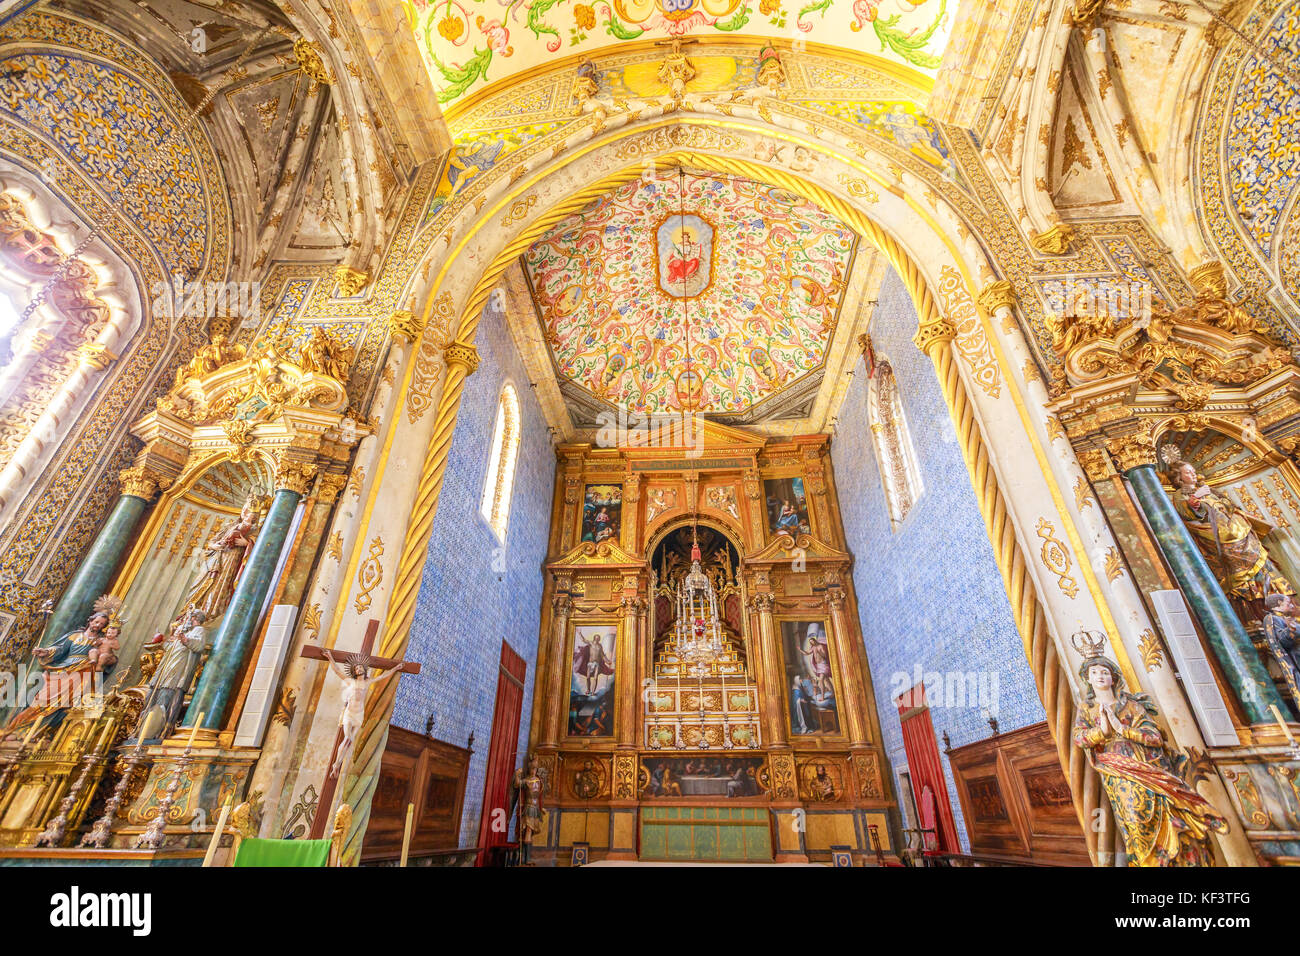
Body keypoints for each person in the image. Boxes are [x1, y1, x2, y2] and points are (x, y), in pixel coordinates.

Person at [1072, 650, 1227, 866]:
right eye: (1094, 672)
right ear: (1087, 679)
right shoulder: (1087, 709)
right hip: (1119, 774)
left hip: (1152, 768)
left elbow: (1154, 738)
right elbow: (1079, 739)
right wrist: (1102, 732)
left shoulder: (1132, 705)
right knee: (1135, 821)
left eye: (1105, 672)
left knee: (1173, 818)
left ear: (1113, 677)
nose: (1100, 676)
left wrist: (1122, 729)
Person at [1168, 460, 1293, 617]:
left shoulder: (1207, 489)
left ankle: (1285, 605)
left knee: (1263, 567)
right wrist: (1195, 499)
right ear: (1179, 477)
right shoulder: (1180, 495)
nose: (1193, 474)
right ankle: (1258, 613)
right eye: (1188, 472)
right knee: (1240, 577)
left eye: (1193, 471)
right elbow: (1187, 515)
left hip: (1238, 531)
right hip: (1219, 540)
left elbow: (1230, 506)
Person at [138, 607, 208, 740]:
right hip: (165, 671)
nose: (184, 620)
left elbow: (199, 646)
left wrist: (185, 640)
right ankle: (141, 730)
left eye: (187, 618)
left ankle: (156, 732)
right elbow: (169, 649)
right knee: (151, 697)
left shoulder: (199, 630)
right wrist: (166, 641)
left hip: (176, 673)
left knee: (165, 699)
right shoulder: (182, 631)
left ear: (194, 619)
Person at [1263, 593, 1300, 715]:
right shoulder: (1272, 619)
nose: (1291, 606)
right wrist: (1292, 629)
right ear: (1279, 603)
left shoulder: (1287, 619)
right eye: (1288, 602)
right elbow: (1283, 641)